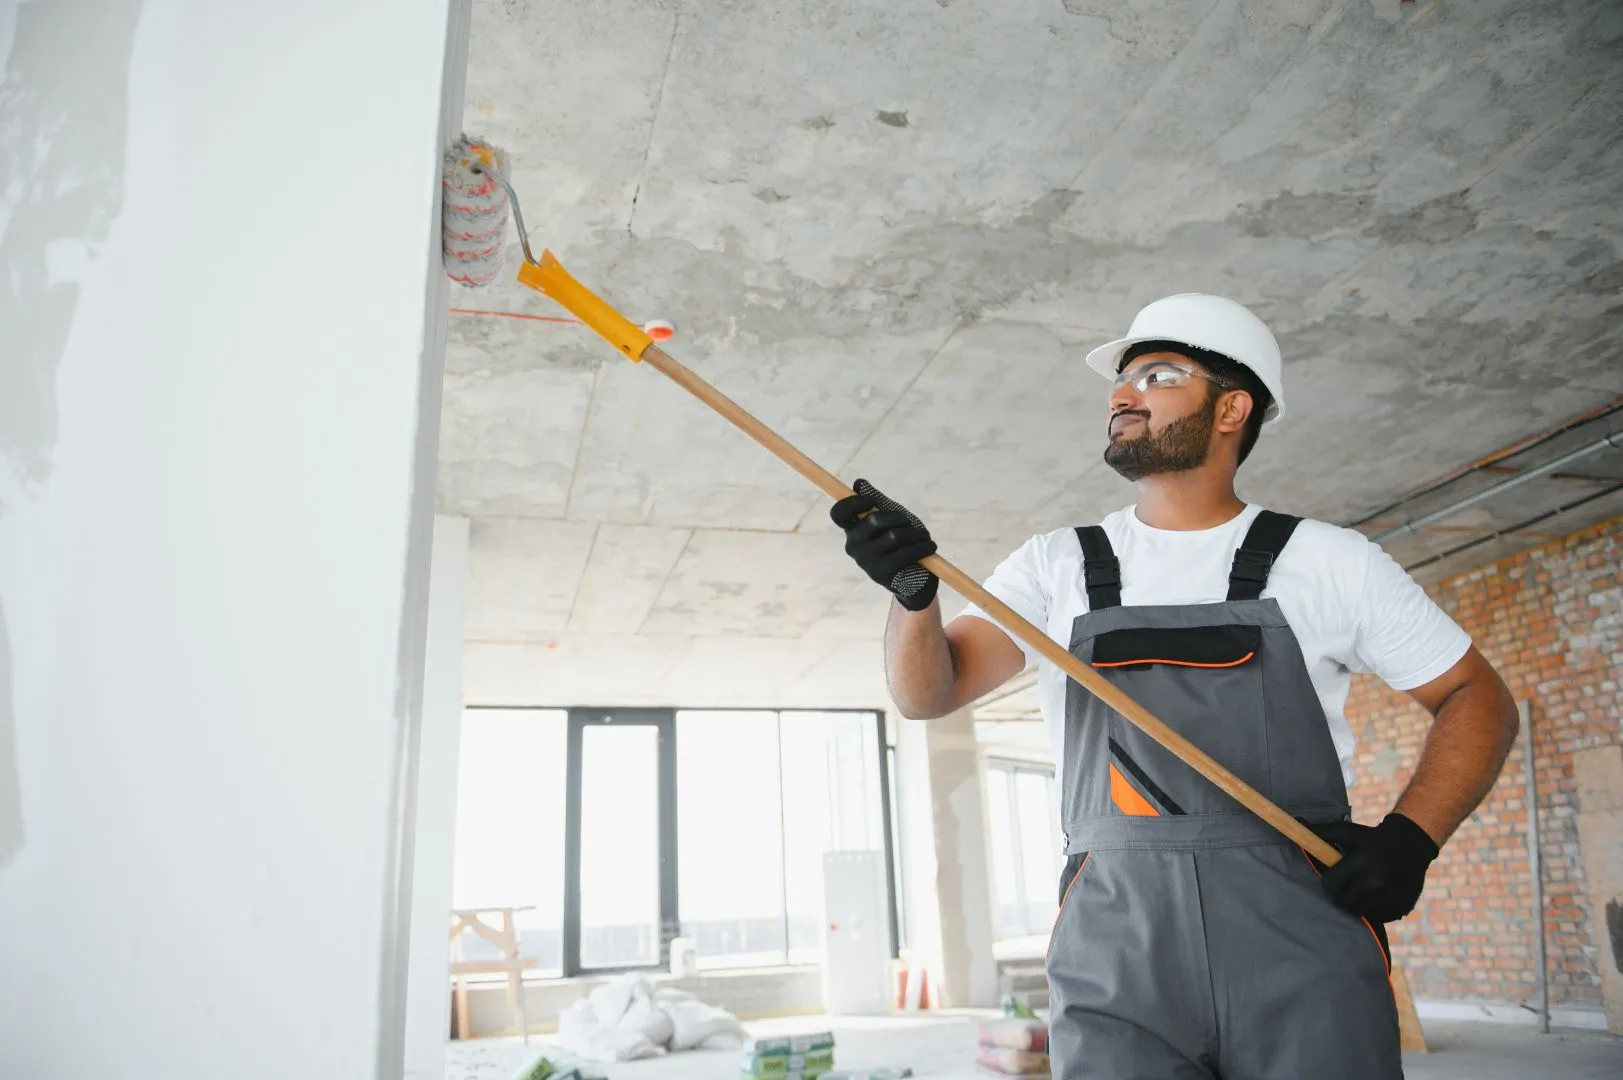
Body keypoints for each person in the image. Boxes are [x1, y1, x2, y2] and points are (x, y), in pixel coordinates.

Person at [830, 294, 1519, 1080]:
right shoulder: (1056, 564)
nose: (1123, 396)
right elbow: (928, 694)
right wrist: (911, 596)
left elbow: (1477, 697)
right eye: (1120, 382)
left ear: (1232, 407)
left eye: (1157, 375)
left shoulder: (1329, 560)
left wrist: (1410, 838)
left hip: (1297, 928)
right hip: (1116, 939)